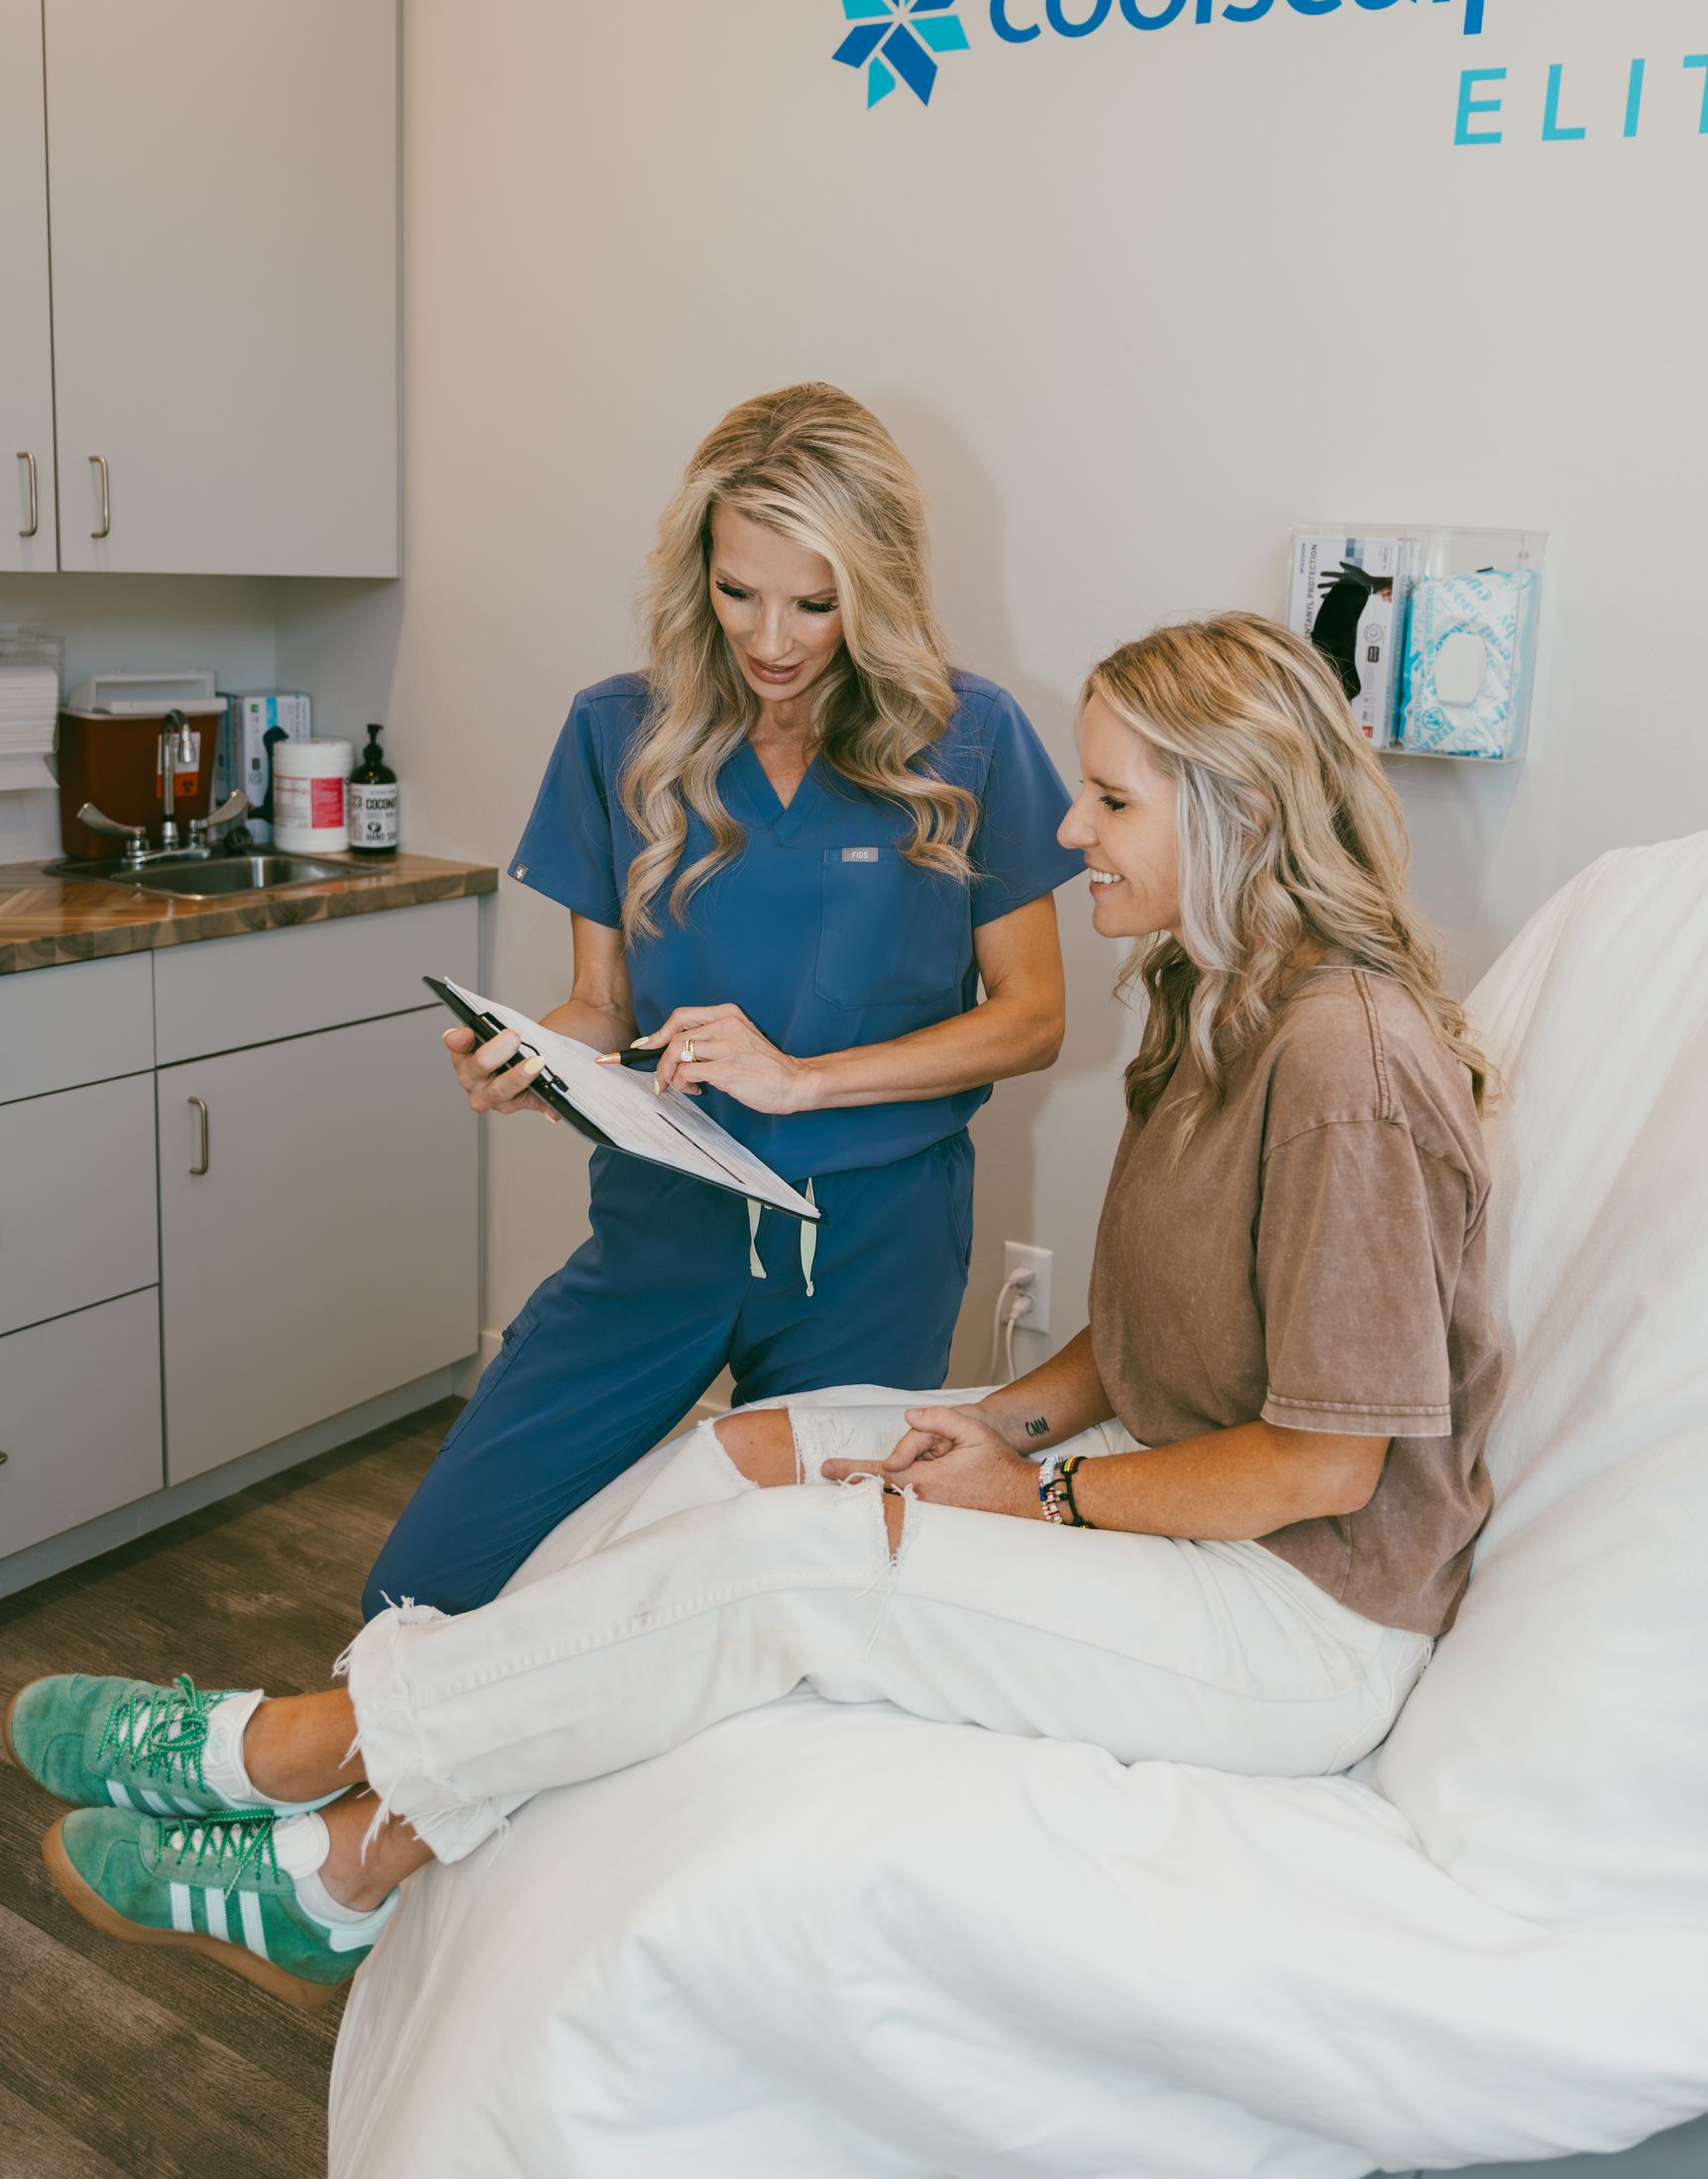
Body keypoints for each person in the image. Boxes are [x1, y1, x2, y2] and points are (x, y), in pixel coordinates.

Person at [10, 613, 1505, 2009]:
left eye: (1109, 805)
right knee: (750, 1455)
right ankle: (358, 1778)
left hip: (1299, 1616)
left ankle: (318, 1803)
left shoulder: (1343, 1072)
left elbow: (1328, 1467)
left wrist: (1038, 1495)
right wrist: (985, 1423)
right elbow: (1154, 1335)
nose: (1064, 833)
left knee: (796, 1570)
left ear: (1233, 814)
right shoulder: (1215, 1005)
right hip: (1185, 1503)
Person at [365, 382, 1081, 1616]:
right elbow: (601, 1004)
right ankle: (371, 1780)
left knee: (805, 1600)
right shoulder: (617, 733)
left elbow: (1031, 1017)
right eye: (738, 590)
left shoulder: (970, 739)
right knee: (434, 1581)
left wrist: (804, 1082)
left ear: (879, 583)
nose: (773, 638)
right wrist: (537, 1057)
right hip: (667, 1212)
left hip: (875, 1240)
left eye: (816, 601)